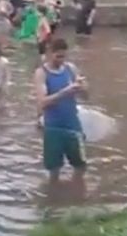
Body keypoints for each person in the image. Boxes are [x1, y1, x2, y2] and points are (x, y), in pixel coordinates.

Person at [34, 38, 88, 184]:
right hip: (53, 127)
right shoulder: (42, 73)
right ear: (49, 53)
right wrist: (65, 91)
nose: (61, 60)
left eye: (64, 56)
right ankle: (55, 198)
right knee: (54, 169)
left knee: (80, 166)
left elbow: (86, 97)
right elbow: (43, 102)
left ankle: (77, 195)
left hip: (73, 125)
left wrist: (82, 88)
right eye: (58, 56)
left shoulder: (71, 69)